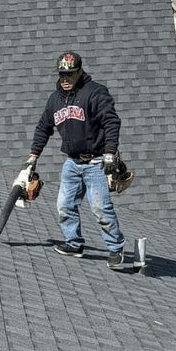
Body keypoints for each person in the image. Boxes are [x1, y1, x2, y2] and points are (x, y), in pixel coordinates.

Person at [28, 51, 127, 268]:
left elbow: (111, 122)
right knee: (64, 205)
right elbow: (43, 127)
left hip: (96, 162)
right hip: (72, 163)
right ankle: (73, 243)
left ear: (80, 72)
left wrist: (110, 151)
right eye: (62, 75)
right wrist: (33, 156)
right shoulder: (55, 100)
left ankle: (116, 249)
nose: (65, 80)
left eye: (70, 75)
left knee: (100, 208)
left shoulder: (95, 93)